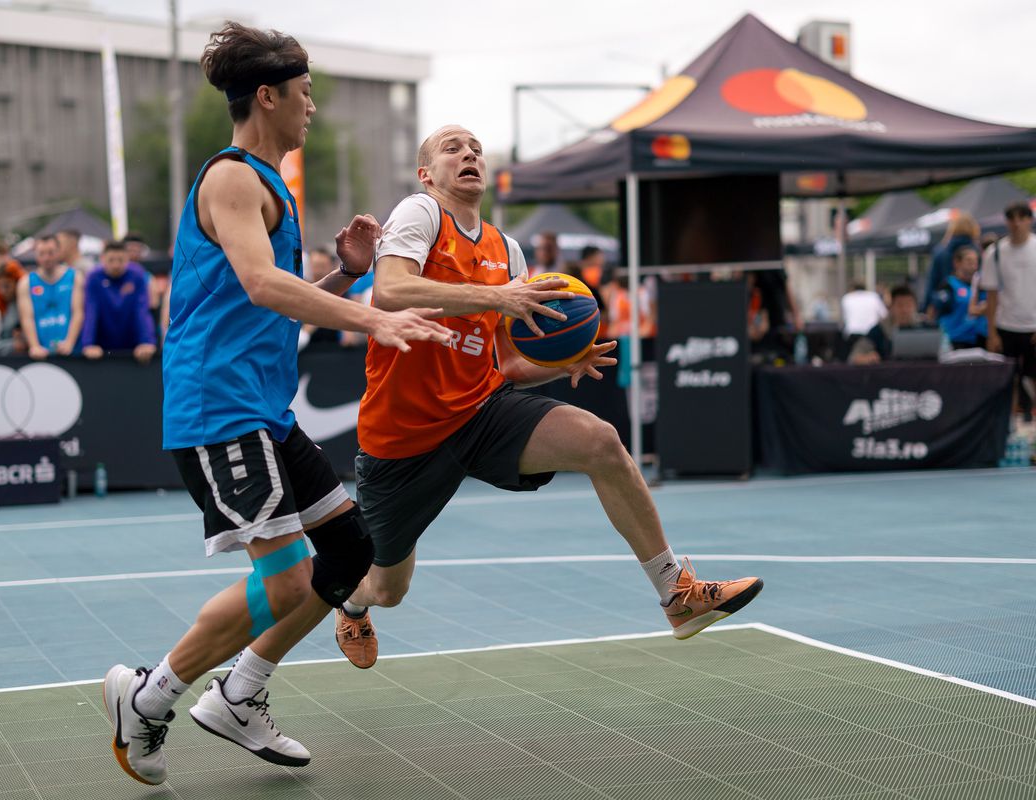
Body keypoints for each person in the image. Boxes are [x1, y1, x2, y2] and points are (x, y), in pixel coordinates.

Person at [102, 22, 451, 787]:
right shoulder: (231, 179)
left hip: (262, 412)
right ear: (267, 96)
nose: (312, 109)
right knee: (289, 579)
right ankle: (150, 697)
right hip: (218, 411)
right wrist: (375, 315)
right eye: (304, 94)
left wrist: (344, 280)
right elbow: (263, 285)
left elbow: (266, 308)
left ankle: (241, 694)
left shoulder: (271, 192)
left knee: (350, 554)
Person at [326, 124, 763, 668]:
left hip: (479, 412)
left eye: (477, 150)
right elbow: (389, 292)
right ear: (426, 173)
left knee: (601, 441)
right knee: (388, 589)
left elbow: (507, 364)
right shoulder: (420, 213)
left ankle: (677, 593)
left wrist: (560, 362)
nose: (469, 155)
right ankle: (351, 602)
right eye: (453, 149)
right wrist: (495, 296)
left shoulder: (506, 251)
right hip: (402, 440)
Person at [982, 201, 1036, 421]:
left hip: (1033, 324)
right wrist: (992, 332)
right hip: (1006, 325)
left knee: (1033, 379)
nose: (1017, 224)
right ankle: (1010, 426)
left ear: (1029, 220)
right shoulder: (995, 253)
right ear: (1007, 222)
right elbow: (991, 296)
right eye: (1012, 219)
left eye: (1021, 218)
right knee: (1008, 379)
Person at [81, 241, 158, 363]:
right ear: (102, 259)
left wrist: (147, 342)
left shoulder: (137, 275)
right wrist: (88, 344)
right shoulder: (93, 278)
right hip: (101, 348)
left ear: (127, 259)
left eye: (120, 260)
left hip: (133, 347)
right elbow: (91, 311)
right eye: (111, 260)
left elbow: (141, 310)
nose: (116, 265)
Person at [16, 234, 84, 359]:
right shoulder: (26, 282)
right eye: (41, 253)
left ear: (59, 252)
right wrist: (34, 346)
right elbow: (27, 318)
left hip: (71, 351)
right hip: (41, 352)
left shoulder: (74, 277)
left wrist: (69, 342)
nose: (46, 258)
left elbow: (78, 312)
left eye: (51, 253)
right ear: (35, 254)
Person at [848, 285, 923, 364]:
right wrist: (866, 358)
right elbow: (854, 356)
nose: (905, 310)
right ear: (891, 307)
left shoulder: (924, 328)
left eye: (909, 305)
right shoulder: (878, 331)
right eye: (900, 305)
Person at [932, 246, 988, 349]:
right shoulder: (948, 285)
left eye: (976, 261)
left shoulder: (980, 286)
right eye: (969, 261)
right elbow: (938, 310)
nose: (973, 266)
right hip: (956, 341)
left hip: (977, 340)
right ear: (957, 263)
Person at [923, 214, 979, 316]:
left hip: (946, 306)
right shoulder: (977, 251)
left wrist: (926, 306)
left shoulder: (940, 251)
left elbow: (932, 282)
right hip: (972, 306)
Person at [0, 261, 26, 356]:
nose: (2, 291)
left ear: (18, 282)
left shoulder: (24, 306)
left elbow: (21, 344)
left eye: (7, 286)